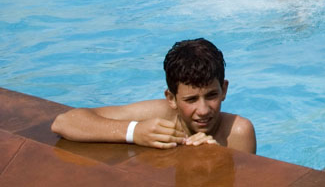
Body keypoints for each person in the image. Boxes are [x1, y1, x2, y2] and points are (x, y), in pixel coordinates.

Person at [50, 38, 256, 154]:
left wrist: (217, 158)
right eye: (190, 99)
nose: (203, 110)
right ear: (171, 99)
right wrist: (135, 132)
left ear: (224, 90)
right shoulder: (158, 115)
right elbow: (65, 122)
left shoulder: (237, 133)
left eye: (211, 95)